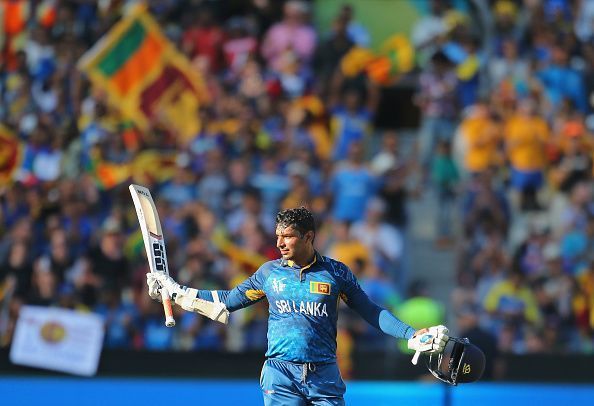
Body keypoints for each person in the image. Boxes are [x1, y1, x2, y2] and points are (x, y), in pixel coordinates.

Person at [147, 207, 449, 405]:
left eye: (288, 236)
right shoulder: (268, 273)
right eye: (278, 235)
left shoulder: (336, 272)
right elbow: (227, 302)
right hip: (280, 373)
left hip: (324, 375)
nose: (280, 243)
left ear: (309, 236)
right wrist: (177, 292)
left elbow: (369, 310)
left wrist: (409, 334)